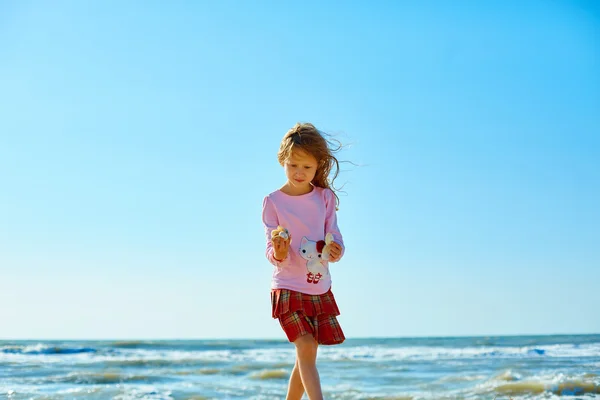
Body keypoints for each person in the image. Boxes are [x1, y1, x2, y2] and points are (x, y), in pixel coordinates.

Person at [261, 122, 346, 400]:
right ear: (282, 160)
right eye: (293, 165)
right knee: (306, 347)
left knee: (306, 355)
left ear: (317, 166)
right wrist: (281, 250)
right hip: (287, 286)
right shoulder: (273, 202)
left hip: (318, 287)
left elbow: (334, 235)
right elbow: (272, 253)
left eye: (307, 167)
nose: (299, 173)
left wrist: (336, 250)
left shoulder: (324, 198)